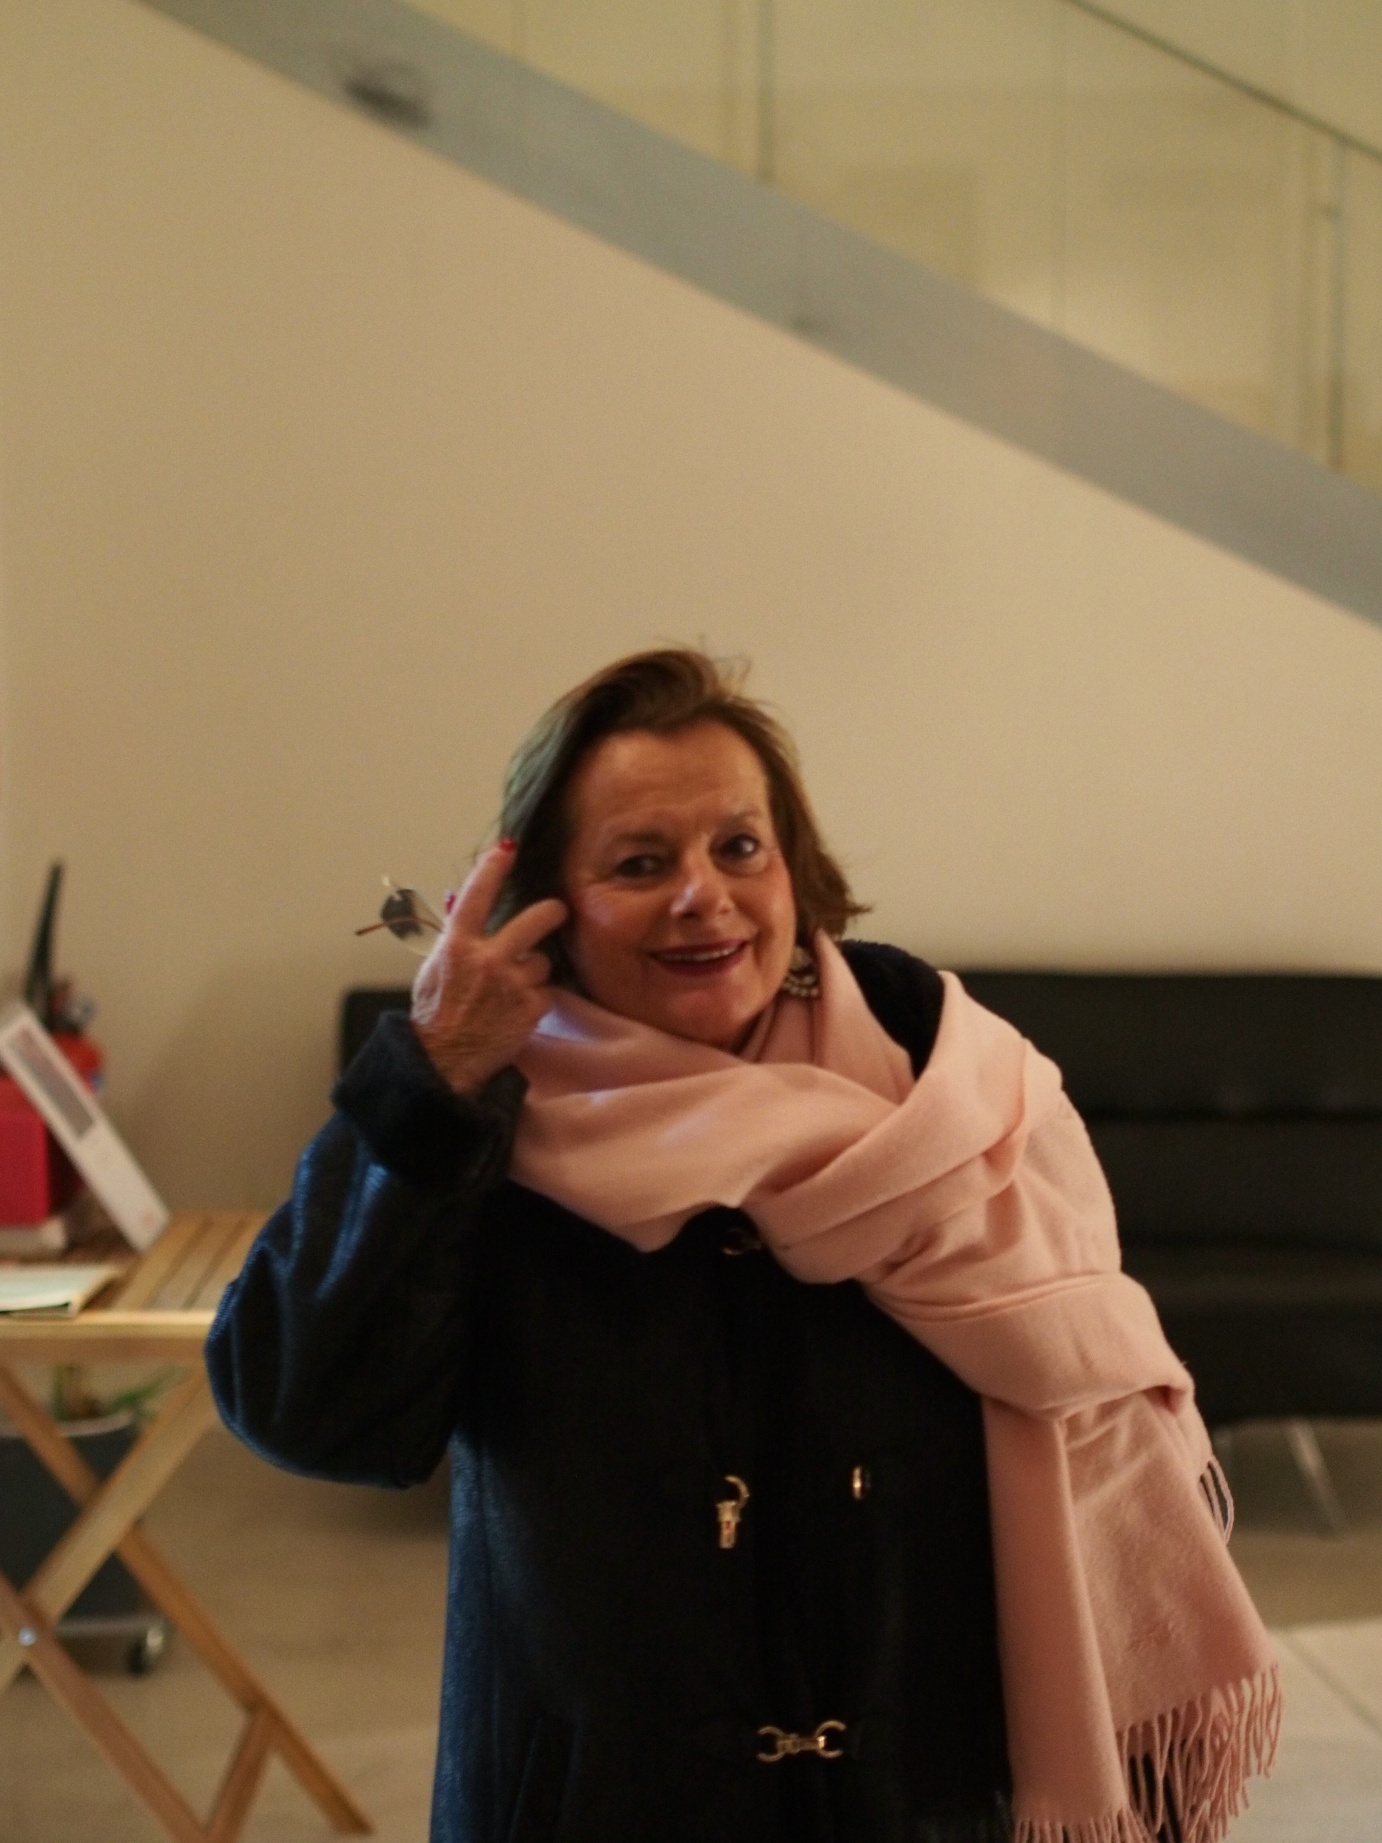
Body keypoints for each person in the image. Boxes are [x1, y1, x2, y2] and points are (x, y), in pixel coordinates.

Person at [208, 648, 1277, 1843]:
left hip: (927, 1802)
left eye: (738, 847)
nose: (701, 896)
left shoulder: (943, 1076)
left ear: (793, 866)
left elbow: (1095, 1386)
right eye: (638, 863)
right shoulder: (483, 1111)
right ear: (545, 903)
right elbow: (306, 1412)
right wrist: (428, 1086)